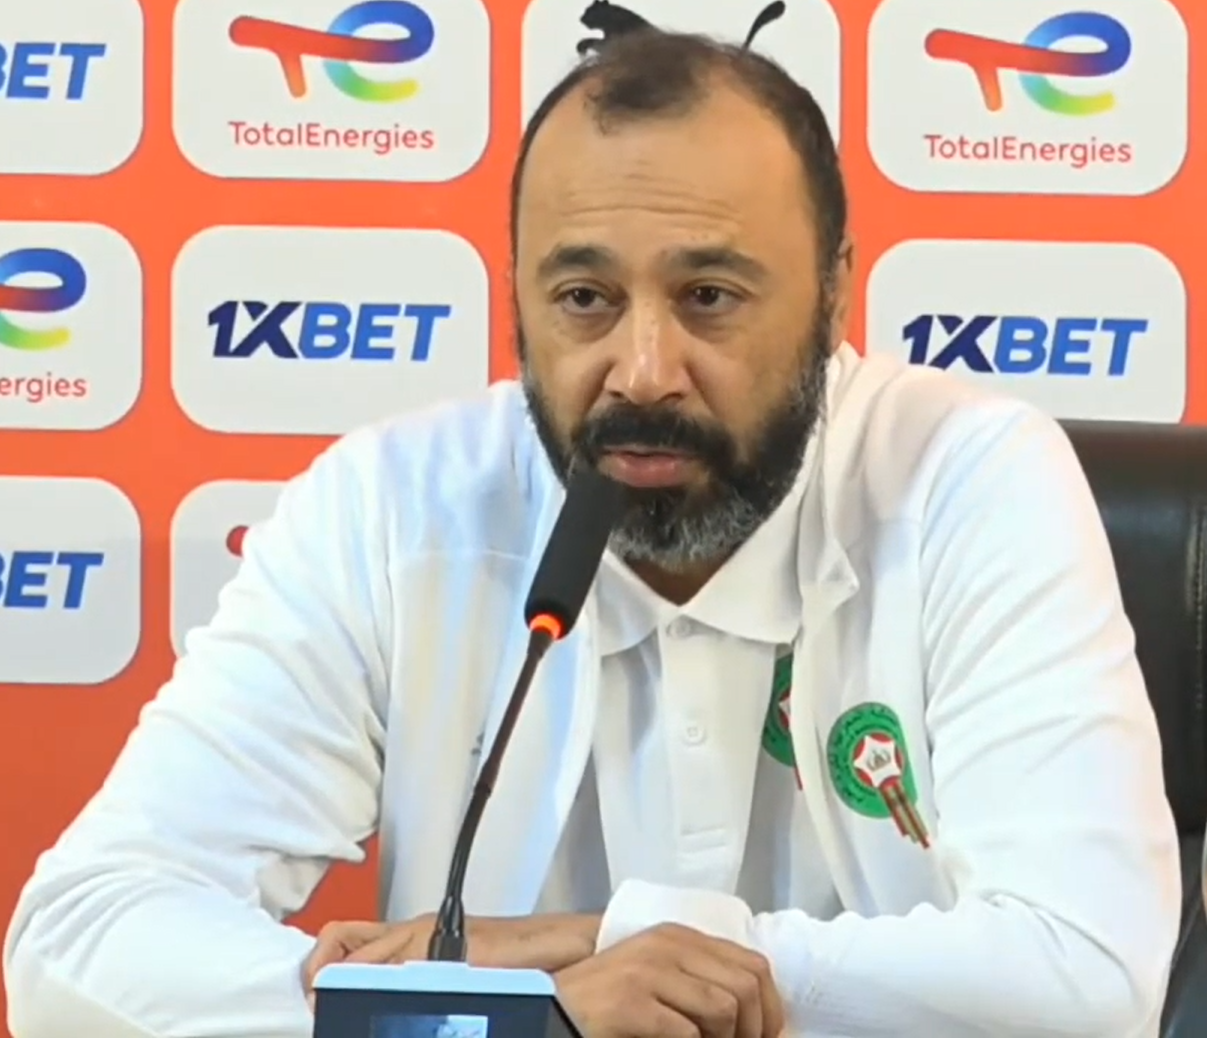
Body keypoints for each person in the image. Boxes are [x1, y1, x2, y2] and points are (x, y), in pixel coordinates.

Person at [3, 29, 1180, 1038]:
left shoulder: (971, 480)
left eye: (709, 296)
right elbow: (74, 944)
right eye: (585, 300)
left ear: (833, 299)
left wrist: (597, 942)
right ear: (519, 298)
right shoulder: (392, 507)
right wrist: (492, 1014)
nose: (643, 369)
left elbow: (1086, 980)